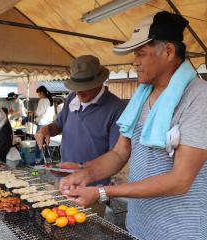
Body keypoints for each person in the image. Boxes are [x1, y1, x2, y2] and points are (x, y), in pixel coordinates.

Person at [60, 11, 207, 239]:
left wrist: (102, 191)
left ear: (168, 51)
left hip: (179, 232)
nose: (134, 61)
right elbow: (119, 153)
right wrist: (85, 175)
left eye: (141, 54)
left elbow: (180, 180)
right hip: (138, 227)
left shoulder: (199, 97)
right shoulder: (141, 96)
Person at [35, 55, 125, 186]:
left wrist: (81, 167)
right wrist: (46, 129)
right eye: (76, 86)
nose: (79, 92)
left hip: (92, 185)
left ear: (99, 82)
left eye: (85, 86)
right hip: (64, 180)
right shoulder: (72, 98)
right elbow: (58, 125)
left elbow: (116, 156)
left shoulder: (117, 108)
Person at [34, 86, 55, 164]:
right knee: (46, 142)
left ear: (41, 93)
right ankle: (48, 160)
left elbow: (38, 112)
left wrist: (33, 114)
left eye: (38, 94)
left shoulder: (42, 101)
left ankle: (37, 161)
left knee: (38, 142)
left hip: (42, 123)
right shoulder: (50, 100)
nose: (38, 96)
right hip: (48, 124)